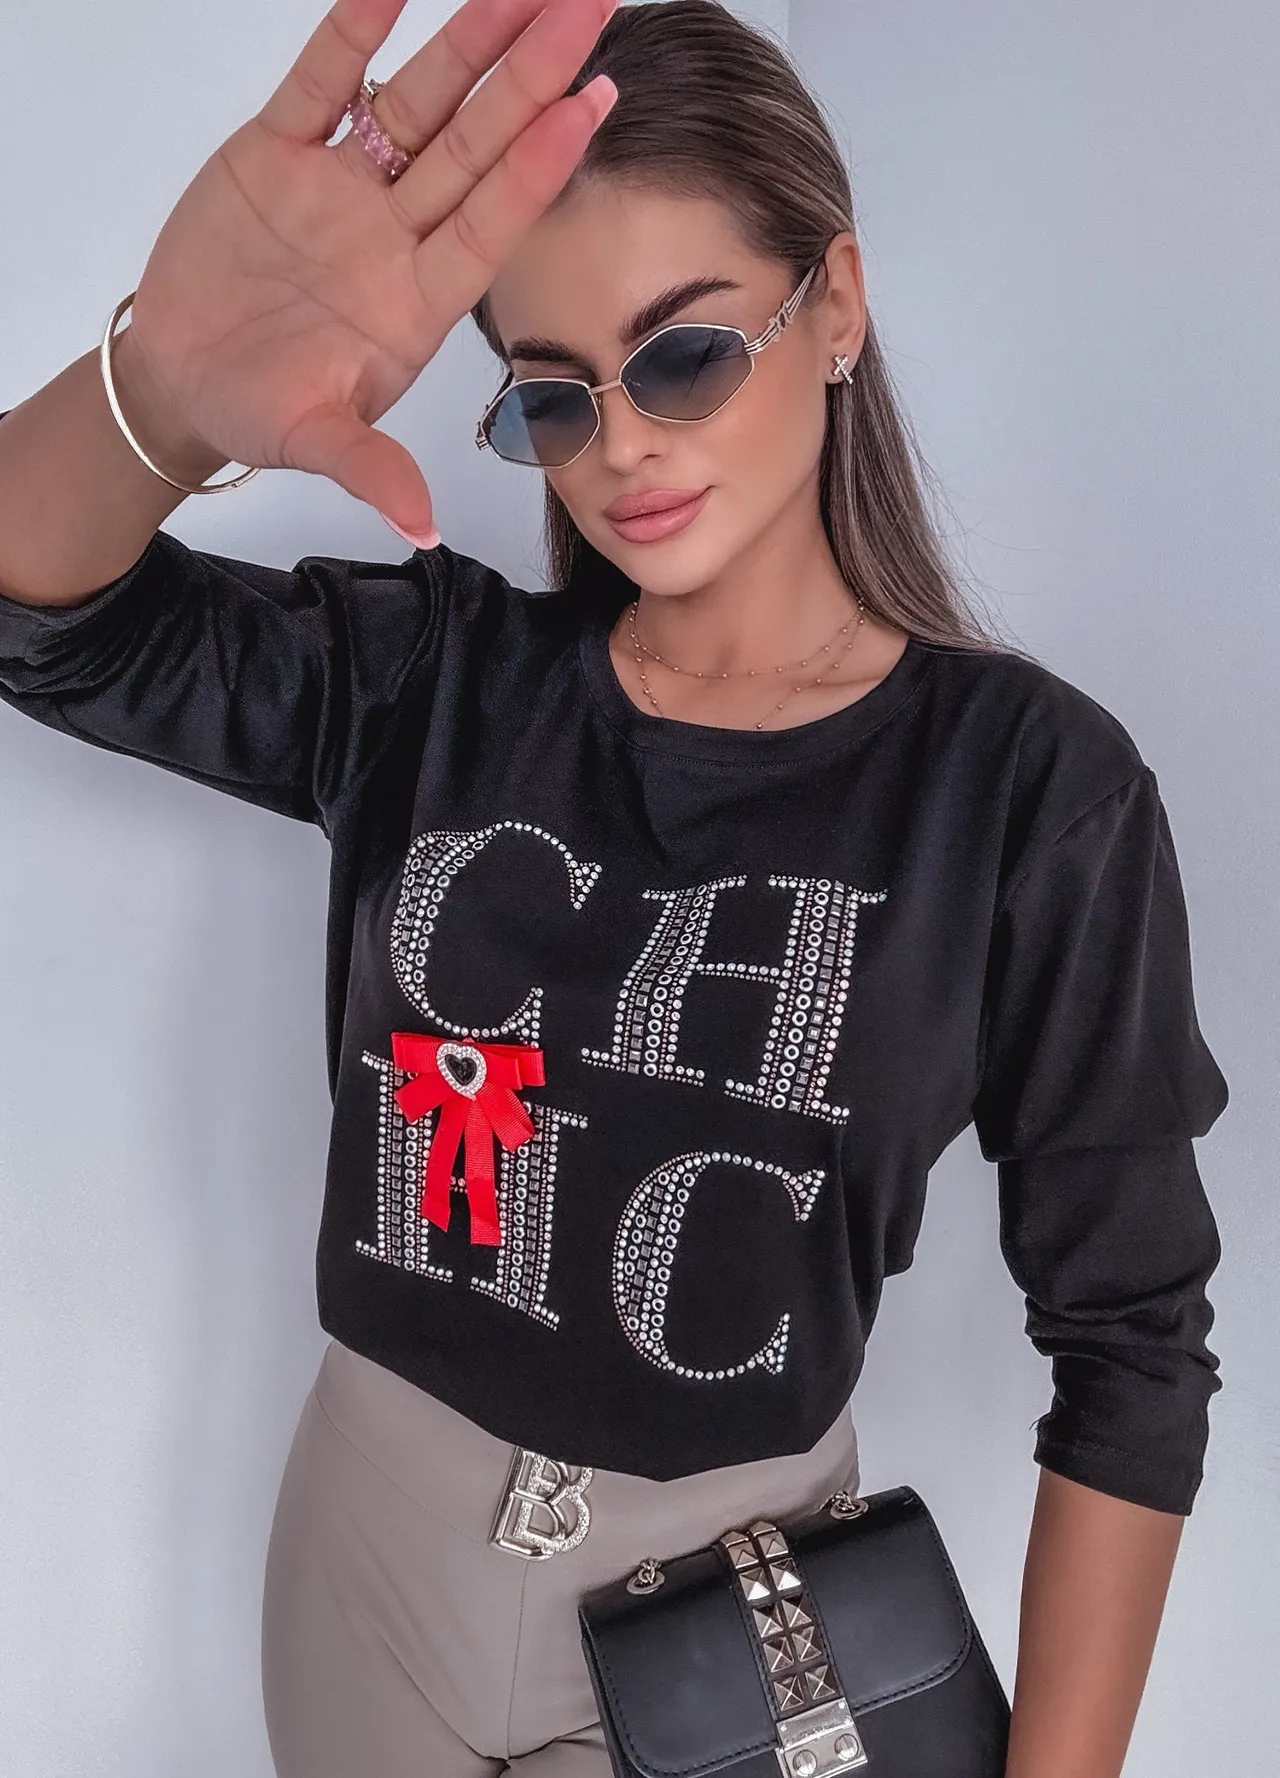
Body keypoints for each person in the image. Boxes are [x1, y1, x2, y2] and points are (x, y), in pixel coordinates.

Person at [0, 1, 1230, 1774]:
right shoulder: (435, 681)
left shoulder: (1030, 791)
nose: (624, 446)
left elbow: (1132, 1343)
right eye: (555, 392)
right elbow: (51, 622)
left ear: (837, 303)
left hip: (728, 1637)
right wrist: (161, 390)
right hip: (362, 1574)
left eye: (687, 355)